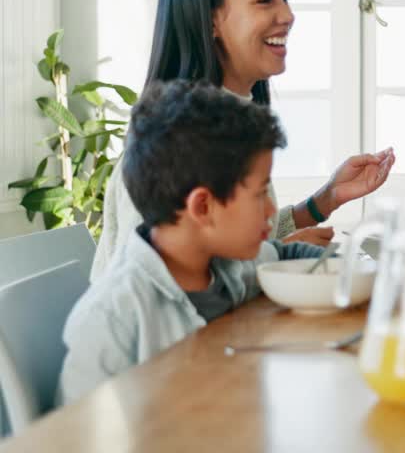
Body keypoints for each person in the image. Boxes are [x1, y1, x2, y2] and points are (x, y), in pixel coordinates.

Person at [91, 0, 395, 281]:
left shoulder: (231, 120)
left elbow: (224, 242)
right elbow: (152, 283)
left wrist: (323, 202)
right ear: (210, 20)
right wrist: (272, 262)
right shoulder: (172, 138)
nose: (288, 15)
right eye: (265, 0)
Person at [61, 81, 325, 402]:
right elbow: (75, 436)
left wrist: (373, 275)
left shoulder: (229, 265)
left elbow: (287, 254)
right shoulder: (112, 318)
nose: (271, 210)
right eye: (259, 195)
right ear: (202, 207)